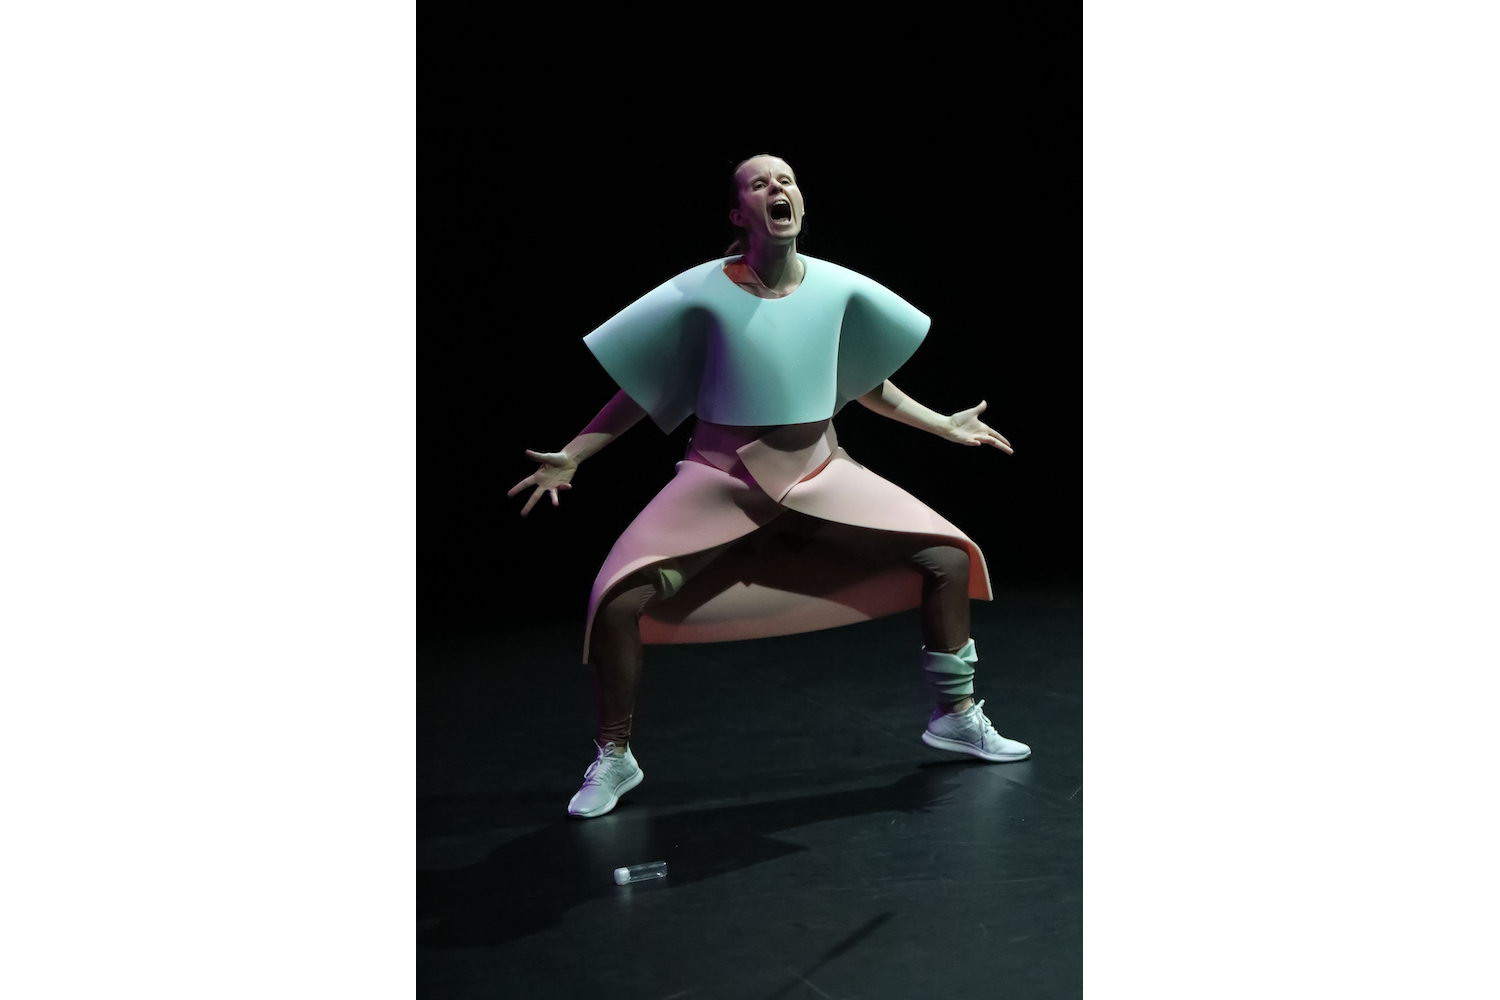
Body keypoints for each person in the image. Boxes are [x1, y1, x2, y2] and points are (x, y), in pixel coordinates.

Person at [509, 154, 1031, 820]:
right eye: (759, 183)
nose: (775, 188)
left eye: (785, 180)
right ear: (739, 213)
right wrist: (577, 453)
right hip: (721, 479)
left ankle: (955, 716)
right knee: (616, 600)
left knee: (947, 558)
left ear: (801, 204)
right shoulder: (702, 291)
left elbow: (863, 383)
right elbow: (644, 388)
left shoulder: (837, 288)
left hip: (819, 473)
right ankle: (615, 755)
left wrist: (942, 424)